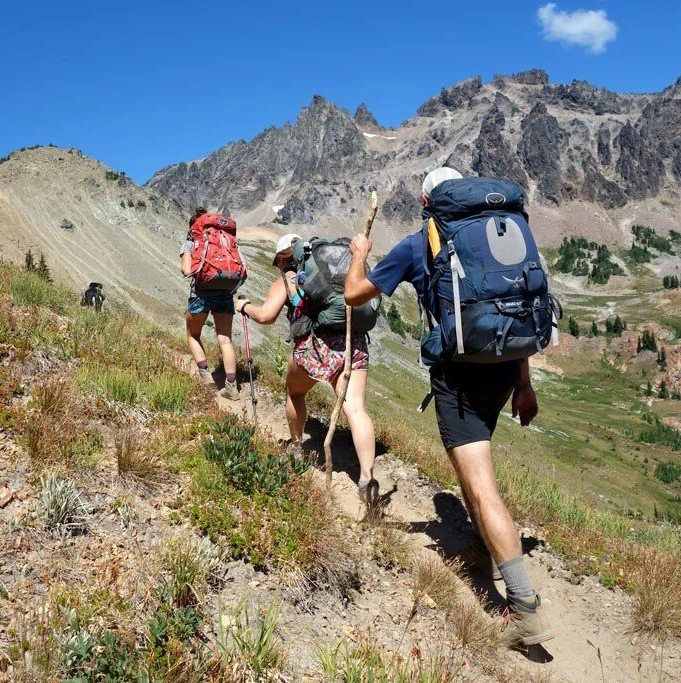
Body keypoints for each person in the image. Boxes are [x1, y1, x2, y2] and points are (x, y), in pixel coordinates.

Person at [343, 168, 554, 647]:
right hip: (503, 370)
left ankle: (524, 609)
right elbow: (512, 307)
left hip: (458, 375)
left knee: (480, 488)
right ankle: (486, 546)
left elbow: (355, 294)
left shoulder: (419, 244)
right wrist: (524, 385)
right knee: (474, 471)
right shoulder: (500, 232)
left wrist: (359, 256)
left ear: (425, 201)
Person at [235, 234, 378, 502]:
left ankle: (297, 446)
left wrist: (244, 307)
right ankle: (367, 477)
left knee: (295, 392)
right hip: (353, 342)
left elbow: (266, 316)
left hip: (316, 345)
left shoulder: (287, 279)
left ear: (281, 259)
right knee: (355, 408)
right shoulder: (329, 271)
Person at [180, 207, 239, 399]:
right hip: (225, 291)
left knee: (192, 334)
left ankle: (206, 378)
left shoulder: (191, 241)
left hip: (202, 292)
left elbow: (186, 270)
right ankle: (231, 386)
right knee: (225, 339)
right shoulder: (223, 238)